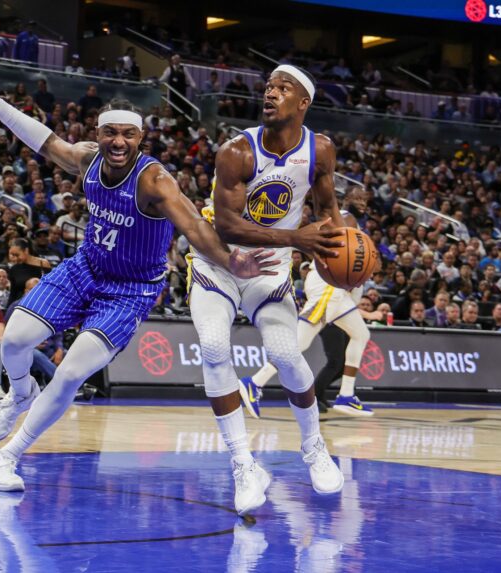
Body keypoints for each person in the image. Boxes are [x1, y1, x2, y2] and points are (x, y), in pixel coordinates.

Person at [0, 75, 276, 493]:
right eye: (110, 133)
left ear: (141, 137)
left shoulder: (154, 181)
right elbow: (46, 141)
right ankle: (19, 394)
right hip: (86, 267)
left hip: (131, 288)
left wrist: (233, 261)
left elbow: (195, 227)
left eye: (128, 134)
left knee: (70, 372)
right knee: (14, 339)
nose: (119, 142)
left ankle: (7, 457)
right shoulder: (88, 160)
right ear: (98, 134)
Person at [188, 65, 347, 515]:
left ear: (303, 103)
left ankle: (315, 447)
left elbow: (328, 208)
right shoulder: (236, 151)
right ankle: (244, 464)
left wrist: (339, 256)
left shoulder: (320, 150)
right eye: (269, 86)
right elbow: (227, 224)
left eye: (283, 88)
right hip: (218, 263)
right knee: (215, 347)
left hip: (271, 273)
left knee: (285, 356)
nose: (271, 93)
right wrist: (297, 239)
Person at [239, 185, 377, 417]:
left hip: (336, 291)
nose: (363, 202)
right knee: (299, 343)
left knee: (361, 334)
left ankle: (346, 395)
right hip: (328, 287)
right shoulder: (345, 218)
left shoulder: (349, 222)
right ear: (347, 199)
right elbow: (337, 250)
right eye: (358, 197)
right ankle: (254, 382)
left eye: (366, 199)